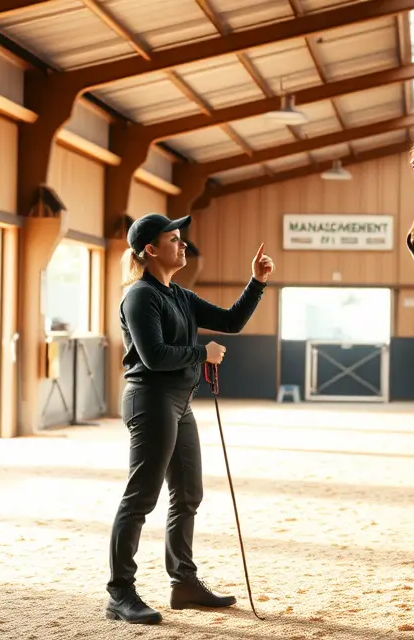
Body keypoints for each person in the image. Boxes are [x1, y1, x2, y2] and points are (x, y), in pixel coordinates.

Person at [105, 213, 275, 625]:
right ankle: (120, 593)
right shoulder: (140, 296)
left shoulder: (178, 294)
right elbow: (154, 356)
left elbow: (231, 321)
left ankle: (184, 583)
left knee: (188, 495)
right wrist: (203, 354)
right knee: (141, 497)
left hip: (180, 403)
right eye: (175, 239)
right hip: (150, 400)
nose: (183, 246)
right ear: (151, 249)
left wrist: (257, 282)